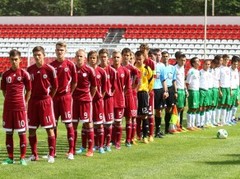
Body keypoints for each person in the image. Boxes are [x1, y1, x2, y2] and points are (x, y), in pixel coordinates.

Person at [27, 46, 58, 163]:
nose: (37, 57)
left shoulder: (50, 69)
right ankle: (34, 155)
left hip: (45, 101)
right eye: (35, 55)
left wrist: (49, 98)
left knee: (49, 128)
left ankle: (51, 154)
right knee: (31, 129)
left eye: (39, 55)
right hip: (33, 102)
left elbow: (55, 87)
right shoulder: (29, 70)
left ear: (44, 55)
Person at [0, 49, 31, 165]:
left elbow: (29, 90)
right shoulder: (5, 75)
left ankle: (22, 158)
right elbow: (3, 90)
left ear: (20, 60)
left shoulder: (24, 74)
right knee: (8, 132)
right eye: (12, 59)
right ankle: (10, 158)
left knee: (22, 132)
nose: (14, 62)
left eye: (16, 59)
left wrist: (25, 101)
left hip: (20, 108)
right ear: (9, 60)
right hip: (8, 109)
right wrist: (9, 100)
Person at [50, 41, 77, 160]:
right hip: (54, 99)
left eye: (61, 50)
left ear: (65, 51)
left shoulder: (70, 65)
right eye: (57, 50)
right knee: (53, 124)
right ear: (55, 51)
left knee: (68, 123)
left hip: (65, 98)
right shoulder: (51, 66)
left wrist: (68, 93)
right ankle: (53, 151)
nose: (59, 52)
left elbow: (75, 82)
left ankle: (71, 151)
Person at [72, 49, 97, 157]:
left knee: (88, 123)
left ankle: (90, 149)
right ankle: (72, 149)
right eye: (77, 56)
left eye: (81, 56)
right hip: (74, 101)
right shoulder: (72, 69)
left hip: (85, 101)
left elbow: (94, 86)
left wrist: (89, 97)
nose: (79, 58)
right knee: (73, 125)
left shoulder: (89, 70)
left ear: (84, 58)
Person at [87, 50, 107, 153]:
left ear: (97, 59)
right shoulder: (85, 70)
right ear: (88, 59)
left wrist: (100, 97)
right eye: (90, 58)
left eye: (94, 58)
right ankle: (93, 145)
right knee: (90, 123)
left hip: (98, 101)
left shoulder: (102, 71)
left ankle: (101, 146)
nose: (92, 60)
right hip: (87, 101)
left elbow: (104, 88)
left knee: (99, 124)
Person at [112, 51, 131, 149]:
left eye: (118, 57)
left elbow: (128, 87)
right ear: (112, 58)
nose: (116, 59)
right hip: (109, 100)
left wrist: (121, 93)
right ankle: (110, 141)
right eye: (114, 57)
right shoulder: (108, 70)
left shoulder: (125, 71)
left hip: (119, 100)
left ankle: (118, 142)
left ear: (121, 58)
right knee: (109, 122)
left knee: (118, 122)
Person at [98, 48, 116, 152]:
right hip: (99, 99)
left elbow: (114, 86)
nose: (103, 59)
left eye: (105, 57)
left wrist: (110, 95)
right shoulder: (96, 70)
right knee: (98, 123)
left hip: (108, 99)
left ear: (108, 58)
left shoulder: (112, 71)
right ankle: (98, 144)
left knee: (108, 123)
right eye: (101, 57)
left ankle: (107, 144)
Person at [121, 48, 140, 146]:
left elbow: (137, 81)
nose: (126, 57)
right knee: (118, 118)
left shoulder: (133, 69)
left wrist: (132, 90)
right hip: (119, 95)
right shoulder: (118, 67)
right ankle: (116, 138)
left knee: (130, 117)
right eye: (124, 55)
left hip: (130, 95)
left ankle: (130, 139)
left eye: (128, 55)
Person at [135, 50, 153, 143]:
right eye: (137, 59)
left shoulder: (147, 68)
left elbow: (151, 80)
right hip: (135, 94)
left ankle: (145, 136)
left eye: (140, 59)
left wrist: (148, 90)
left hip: (143, 93)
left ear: (143, 59)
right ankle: (137, 135)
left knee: (144, 115)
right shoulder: (133, 68)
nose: (139, 61)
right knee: (135, 115)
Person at [139, 44, 155, 141]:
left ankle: (150, 134)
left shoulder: (150, 63)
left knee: (149, 113)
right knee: (138, 113)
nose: (143, 52)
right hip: (139, 91)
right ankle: (139, 134)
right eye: (142, 50)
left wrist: (149, 90)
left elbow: (152, 78)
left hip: (148, 92)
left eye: (145, 50)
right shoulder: (137, 62)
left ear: (148, 51)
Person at [152, 49, 168, 138]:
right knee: (148, 112)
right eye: (156, 54)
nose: (158, 56)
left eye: (159, 55)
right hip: (150, 90)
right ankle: (146, 131)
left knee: (159, 111)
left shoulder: (162, 66)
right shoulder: (149, 64)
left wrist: (165, 91)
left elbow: (163, 79)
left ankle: (157, 131)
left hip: (159, 90)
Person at [161, 51, 177, 134]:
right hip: (161, 89)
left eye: (166, 56)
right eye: (164, 56)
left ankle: (167, 127)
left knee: (169, 108)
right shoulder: (159, 67)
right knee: (159, 109)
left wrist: (175, 91)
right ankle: (158, 128)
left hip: (170, 89)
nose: (165, 58)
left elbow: (174, 80)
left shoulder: (172, 68)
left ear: (169, 57)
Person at [186, 57, 200, 130]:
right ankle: (189, 125)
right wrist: (187, 91)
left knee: (195, 108)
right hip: (192, 91)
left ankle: (193, 124)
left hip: (197, 91)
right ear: (193, 63)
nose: (199, 62)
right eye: (197, 61)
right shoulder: (191, 71)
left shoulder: (197, 71)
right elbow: (187, 82)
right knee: (191, 108)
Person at [198, 59, 212, 128]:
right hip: (201, 91)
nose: (207, 65)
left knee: (205, 107)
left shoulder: (209, 73)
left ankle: (202, 123)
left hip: (207, 91)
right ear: (203, 64)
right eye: (206, 64)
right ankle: (198, 123)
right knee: (200, 107)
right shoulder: (200, 72)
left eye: (208, 64)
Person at [218, 54, 231, 126]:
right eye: (225, 59)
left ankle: (224, 120)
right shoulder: (220, 68)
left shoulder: (228, 69)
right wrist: (219, 89)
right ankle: (217, 120)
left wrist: (230, 89)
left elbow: (229, 79)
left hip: (228, 88)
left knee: (226, 105)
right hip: (222, 87)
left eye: (228, 60)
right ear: (223, 60)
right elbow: (218, 80)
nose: (226, 61)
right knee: (220, 104)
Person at [229, 56, 239, 123]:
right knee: (230, 104)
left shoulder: (236, 70)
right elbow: (228, 81)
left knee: (236, 103)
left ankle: (233, 117)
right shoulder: (228, 70)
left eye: (237, 64)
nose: (236, 66)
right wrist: (230, 89)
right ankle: (228, 118)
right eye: (234, 64)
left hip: (237, 89)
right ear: (231, 63)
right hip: (231, 89)